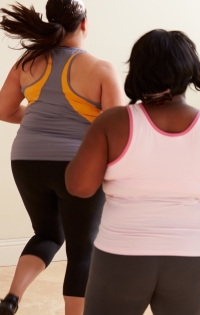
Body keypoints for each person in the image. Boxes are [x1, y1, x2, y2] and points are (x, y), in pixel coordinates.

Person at [64, 29, 200, 315]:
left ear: (137, 71)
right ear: (190, 72)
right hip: (190, 254)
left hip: (122, 252)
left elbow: (79, 187)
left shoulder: (112, 123)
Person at [0, 0, 125, 314]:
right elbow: (117, 131)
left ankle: (11, 299)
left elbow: (4, 110)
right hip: (77, 164)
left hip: (26, 161)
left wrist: (41, 116)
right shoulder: (100, 68)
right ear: (84, 23)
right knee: (83, 248)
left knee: (47, 233)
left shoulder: (27, 63)